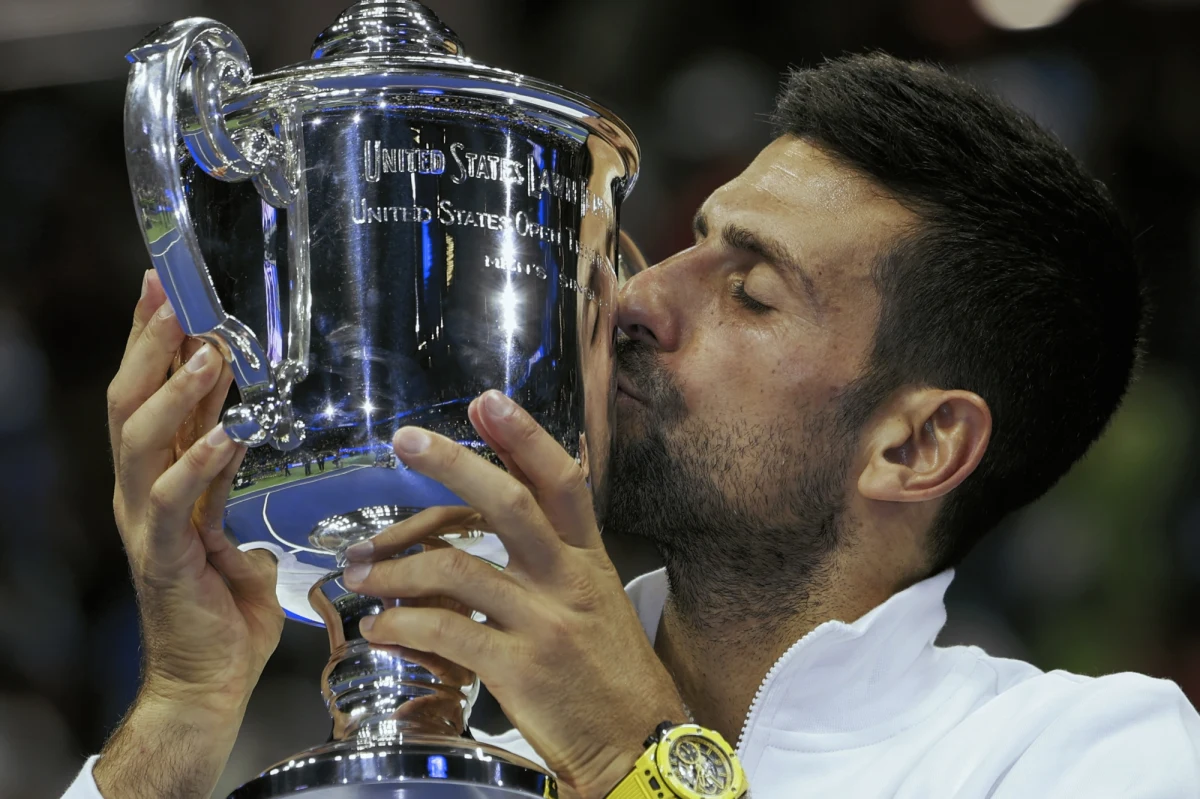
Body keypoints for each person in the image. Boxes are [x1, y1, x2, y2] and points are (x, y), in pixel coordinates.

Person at [65, 54, 1199, 799]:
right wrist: (180, 709)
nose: (639, 298)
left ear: (916, 445)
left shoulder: (1093, 758)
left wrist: (640, 765)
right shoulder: (464, 768)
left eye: (751, 292)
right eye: (691, 242)